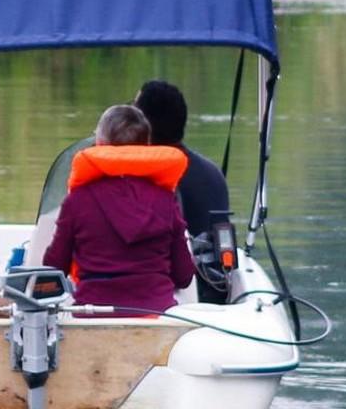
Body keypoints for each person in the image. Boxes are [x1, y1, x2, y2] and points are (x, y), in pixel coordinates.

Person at [42, 104, 194, 317]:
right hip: (155, 317)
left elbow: (53, 269)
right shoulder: (165, 201)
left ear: (100, 145)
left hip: (94, 316)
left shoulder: (78, 201)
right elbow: (184, 276)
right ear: (146, 148)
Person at [135, 78, 234, 302]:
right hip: (213, 290)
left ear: (144, 125)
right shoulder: (212, 173)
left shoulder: (144, 177)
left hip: (167, 294)